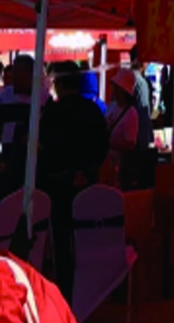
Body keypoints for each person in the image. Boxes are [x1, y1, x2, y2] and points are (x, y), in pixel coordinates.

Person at [38, 63, 109, 300]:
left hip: (59, 186)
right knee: (89, 238)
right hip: (90, 185)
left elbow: (46, 150)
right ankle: (92, 291)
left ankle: (66, 294)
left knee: (62, 243)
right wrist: (87, 170)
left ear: (58, 83)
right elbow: (103, 147)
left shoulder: (52, 113)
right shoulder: (94, 111)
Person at [0, 56, 38, 199]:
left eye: (18, 74)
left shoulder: (42, 97)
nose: (13, 78)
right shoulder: (5, 96)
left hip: (32, 153)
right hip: (8, 151)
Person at [105, 70, 141, 155]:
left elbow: (131, 144)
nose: (114, 90)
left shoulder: (131, 113)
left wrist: (112, 142)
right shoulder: (112, 106)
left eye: (117, 87)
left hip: (121, 161)